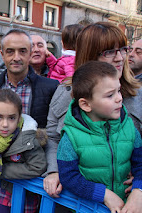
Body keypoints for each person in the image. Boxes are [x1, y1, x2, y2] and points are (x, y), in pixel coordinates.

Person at [44, 22, 141, 200]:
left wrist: (140, 185)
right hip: (77, 199)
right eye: (109, 52)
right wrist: (55, 170)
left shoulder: (138, 94)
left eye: (122, 49)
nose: (119, 58)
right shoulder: (65, 92)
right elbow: (52, 137)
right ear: (88, 55)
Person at [57, 61, 142, 212]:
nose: (119, 99)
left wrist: (138, 190)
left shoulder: (129, 128)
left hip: (127, 206)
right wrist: (103, 194)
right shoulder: (71, 137)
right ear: (86, 104)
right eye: (110, 95)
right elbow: (68, 177)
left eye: (118, 91)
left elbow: (140, 164)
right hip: (87, 208)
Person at [0, 89, 46, 213]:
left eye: (11, 118)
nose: (5, 124)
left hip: (26, 194)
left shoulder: (28, 139)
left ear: (19, 117)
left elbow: (37, 166)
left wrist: (0, 170)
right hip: (3, 191)